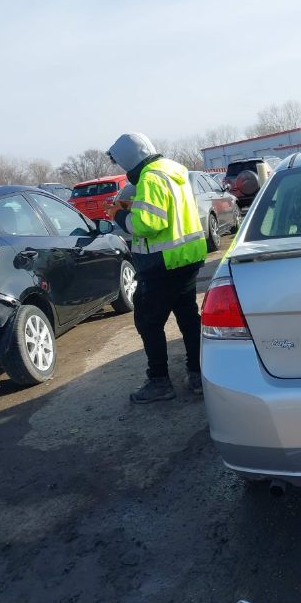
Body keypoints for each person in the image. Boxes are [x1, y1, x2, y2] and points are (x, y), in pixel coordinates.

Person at [105, 132, 208, 403]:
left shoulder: (150, 177)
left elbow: (147, 224)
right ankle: (198, 374)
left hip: (161, 264)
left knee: (148, 322)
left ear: (128, 159)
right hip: (187, 258)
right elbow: (165, 211)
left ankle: (159, 381)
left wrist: (119, 214)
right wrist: (133, 207)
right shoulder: (173, 171)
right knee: (188, 318)